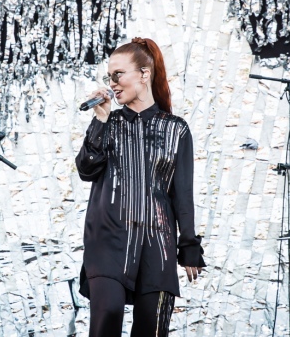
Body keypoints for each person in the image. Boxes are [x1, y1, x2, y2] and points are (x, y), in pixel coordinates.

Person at [76, 37, 205, 337]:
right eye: (109, 77)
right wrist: (100, 120)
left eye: (118, 75)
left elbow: (182, 193)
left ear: (144, 74)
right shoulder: (108, 123)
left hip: (156, 244)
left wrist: (188, 246)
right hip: (107, 240)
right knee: (106, 318)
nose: (113, 83)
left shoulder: (176, 129)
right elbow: (85, 169)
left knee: (153, 329)